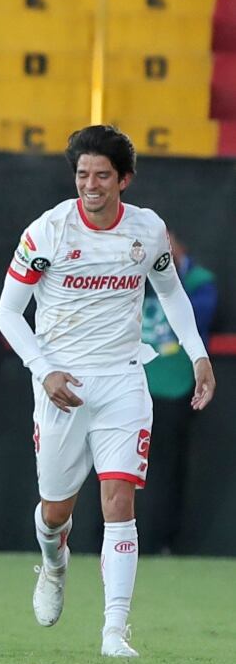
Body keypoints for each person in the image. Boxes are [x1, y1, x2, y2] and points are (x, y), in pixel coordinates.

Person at [0, 125, 215, 658]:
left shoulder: (147, 231)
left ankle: (114, 631)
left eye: (101, 175)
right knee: (54, 511)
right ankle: (53, 561)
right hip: (61, 384)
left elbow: (171, 294)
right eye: (81, 175)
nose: (89, 185)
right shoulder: (48, 231)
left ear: (125, 180)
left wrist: (199, 355)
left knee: (119, 501)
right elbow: (7, 312)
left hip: (122, 379)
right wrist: (43, 369)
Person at [140, 233, 218, 554]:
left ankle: (163, 541)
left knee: (168, 469)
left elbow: (196, 319)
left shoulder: (198, 282)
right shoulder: (131, 278)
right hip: (134, 384)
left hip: (175, 386)